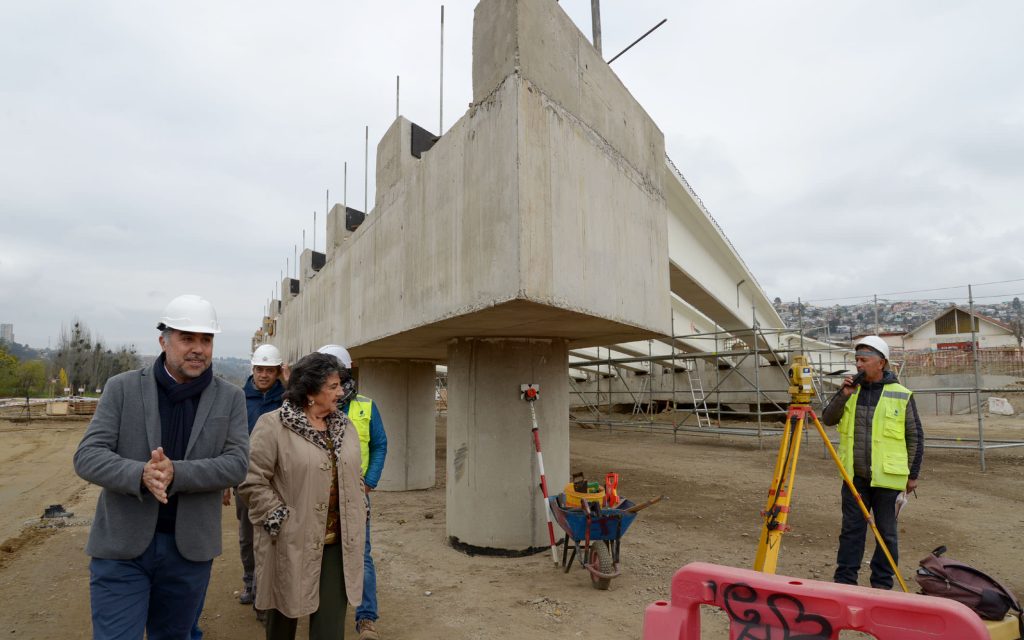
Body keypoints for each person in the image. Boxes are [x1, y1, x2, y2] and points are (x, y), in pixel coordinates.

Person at [73, 294, 249, 639]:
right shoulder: (122, 388)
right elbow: (89, 455)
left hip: (189, 552)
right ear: (163, 341)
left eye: (206, 339)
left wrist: (177, 473)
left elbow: (237, 464)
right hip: (122, 548)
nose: (198, 348)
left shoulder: (230, 397)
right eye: (187, 338)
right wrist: (140, 473)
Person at [239, 352, 366, 640]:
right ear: (310, 391)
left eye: (340, 385)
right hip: (290, 543)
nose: (341, 392)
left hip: (337, 544)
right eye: (333, 386)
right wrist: (281, 518)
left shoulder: (345, 427)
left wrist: (359, 505)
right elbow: (252, 480)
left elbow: (353, 474)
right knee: (283, 621)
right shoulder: (273, 426)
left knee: (330, 628)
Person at [822, 335, 924, 590]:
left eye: (864, 360)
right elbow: (828, 419)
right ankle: (845, 582)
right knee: (851, 531)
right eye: (856, 359)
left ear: (881, 363)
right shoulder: (850, 392)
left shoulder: (900, 394)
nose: (858, 365)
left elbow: (915, 436)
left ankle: (882, 584)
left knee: (886, 534)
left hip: (888, 478)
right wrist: (843, 394)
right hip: (855, 476)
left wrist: (913, 475)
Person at [318, 345, 387, 640]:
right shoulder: (311, 408)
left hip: (357, 496)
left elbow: (380, 444)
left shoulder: (366, 407)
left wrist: (369, 481)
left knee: (362, 555)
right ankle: (317, 612)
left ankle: (366, 618)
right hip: (319, 498)